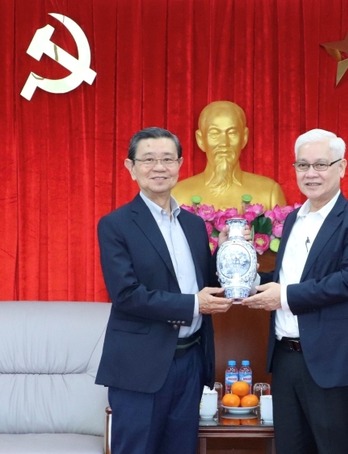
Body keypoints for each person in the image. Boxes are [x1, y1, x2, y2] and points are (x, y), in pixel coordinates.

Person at [241, 128, 348, 454]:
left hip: (333, 363)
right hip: (286, 360)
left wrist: (285, 297)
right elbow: (285, 276)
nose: (311, 173)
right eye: (302, 165)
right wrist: (243, 278)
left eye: (321, 164)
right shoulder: (292, 220)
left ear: (342, 167)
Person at [95, 127, 234, 454]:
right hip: (140, 366)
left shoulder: (194, 225)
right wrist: (193, 305)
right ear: (131, 167)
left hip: (191, 362)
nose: (159, 167)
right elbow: (126, 295)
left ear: (180, 164)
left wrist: (225, 255)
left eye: (167, 159)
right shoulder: (116, 225)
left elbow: (203, 284)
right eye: (149, 159)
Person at [171, 100, 287, 209]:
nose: (224, 143)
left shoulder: (269, 192)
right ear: (201, 140)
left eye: (232, 133)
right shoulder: (178, 194)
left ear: (244, 138)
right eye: (214, 133)